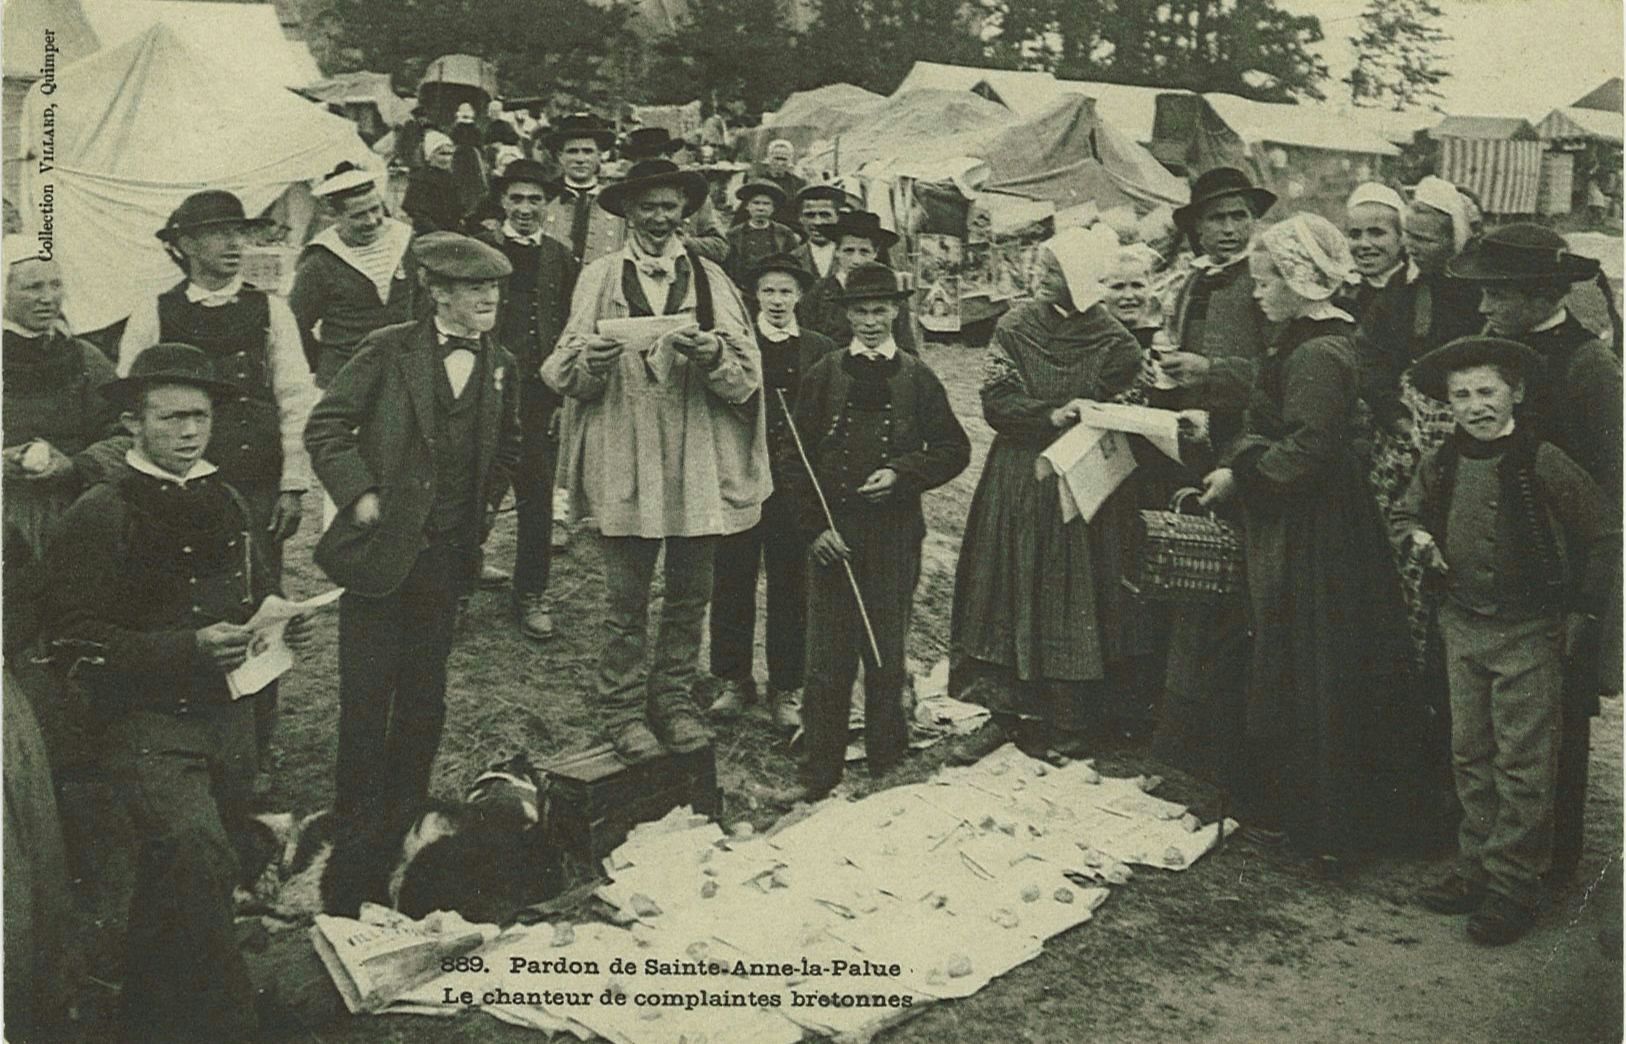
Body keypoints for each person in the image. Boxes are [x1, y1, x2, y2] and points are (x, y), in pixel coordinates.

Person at [43, 343, 316, 1041]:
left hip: (227, 721)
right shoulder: (102, 512)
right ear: (134, 423)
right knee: (197, 857)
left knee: (184, 881)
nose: (189, 432)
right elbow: (72, 642)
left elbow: (250, 592)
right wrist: (184, 648)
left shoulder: (224, 498)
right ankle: (236, 1023)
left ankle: (145, 1017)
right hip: (142, 727)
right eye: (170, 420)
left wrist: (280, 621)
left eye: (199, 418)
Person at [304, 233, 522, 914]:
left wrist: (479, 517)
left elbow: (507, 446)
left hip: (447, 558)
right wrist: (359, 492)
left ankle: (405, 815)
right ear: (439, 292)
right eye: (473, 290)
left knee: (426, 694)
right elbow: (326, 427)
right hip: (379, 553)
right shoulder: (389, 348)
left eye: (494, 290)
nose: (487, 300)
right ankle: (356, 819)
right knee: (369, 692)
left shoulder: (501, 364)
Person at [1197, 214, 1412, 869]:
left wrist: (1242, 474)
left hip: (1319, 525)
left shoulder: (1319, 350)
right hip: (1318, 513)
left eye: (1268, 280)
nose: (1258, 293)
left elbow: (1311, 448)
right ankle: (1308, 811)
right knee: (1308, 658)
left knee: (1313, 658)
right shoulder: (1309, 337)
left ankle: (1325, 824)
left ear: (1300, 279)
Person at [541, 159, 770, 762]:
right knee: (626, 594)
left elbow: (749, 376)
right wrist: (590, 360)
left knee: (692, 588)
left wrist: (714, 351)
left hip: (697, 451)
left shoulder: (712, 278)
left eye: (671, 207)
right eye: (648, 207)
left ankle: (671, 698)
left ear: (686, 213)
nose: (660, 218)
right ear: (627, 212)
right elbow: (560, 369)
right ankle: (621, 708)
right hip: (627, 444)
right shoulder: (598, 276)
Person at [1394, 336, 1614, 944]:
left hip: (1530, 632)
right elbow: (1406, 512)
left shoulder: (1541, 458)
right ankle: (1474, 869)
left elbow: (1602, 531)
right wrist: (1419, 537)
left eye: (1487, 391)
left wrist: (1582, 610)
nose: (1475, 406)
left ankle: (1514, 886)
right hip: (1462, 626)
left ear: (1515, 392)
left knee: (1524, 762)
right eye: (1460, 395)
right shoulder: (1442, 460)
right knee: (1471, 751)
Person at [1444, 223, 1625, 885]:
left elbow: (1611, 496)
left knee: (1560, 726)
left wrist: (1589, 604)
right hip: (1503, 572)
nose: (1485, 309)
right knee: (1494, 734)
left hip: (1562, 580)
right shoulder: (1503, 357)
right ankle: (1493, 860)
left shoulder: (1588, 367)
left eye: (1496, 294)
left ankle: (1548, 868)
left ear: (1534, 293)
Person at [118, 189, 318, 769]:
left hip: (254, 491)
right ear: (182, 245)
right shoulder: (153, 312)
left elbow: (296, 396)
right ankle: (189, 742)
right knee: (185, 610)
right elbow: (131, 402)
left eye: (240, 232)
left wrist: (292, 483)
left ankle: (256, 749)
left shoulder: (271, 310)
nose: (234, 245)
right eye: (217, 234)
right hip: (177, 493)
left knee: (261, 609)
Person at [950, 226, 1150, 760]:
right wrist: (1047, 415)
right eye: (1042, 267)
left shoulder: (1116, 343)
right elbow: (995, 398)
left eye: (1055, 270)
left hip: (1080, 481)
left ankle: (1069, 724)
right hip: (1019, 474)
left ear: (1083, 279)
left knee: (1073, 595)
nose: (1041, 276)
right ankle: (1002, 713)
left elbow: (1125, 407)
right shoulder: (1015, 326)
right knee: (1007, 585)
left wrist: (1088, 417)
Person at [791, 261, 970, 798]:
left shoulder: (918, 377)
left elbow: (954, 450)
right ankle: (819, 773)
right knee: (827, 657)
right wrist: (814, 531)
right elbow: (792, 458)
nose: (870, 321)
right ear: (846, 315)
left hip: (894, 536)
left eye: (879, 309)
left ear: (896, 311)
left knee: (885, 649)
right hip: (834, 538)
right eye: (860, 311)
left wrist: (901, 474)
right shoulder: (823, 374)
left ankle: (886, 765)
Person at [1147, 167, 1276, 787]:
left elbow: (1274, 376)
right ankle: (1181, 740)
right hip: (1196, 445)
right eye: (1216, 219)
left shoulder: (1268, 281)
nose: (1229, 230)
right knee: (1192, 586)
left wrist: (1210, 372)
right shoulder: (1192, 282)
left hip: (1246, 454)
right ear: (1195, 227)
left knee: (1237, 598)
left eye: (1239, 217)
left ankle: (1228, 750)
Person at [707, 255, 837, 730]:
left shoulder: (822, 348)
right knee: (732, 577)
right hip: (742, 476)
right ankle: (732, 680)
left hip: (796, 487)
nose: (777, 301)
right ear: (754, 297)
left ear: (800, 296)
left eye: (786, 292)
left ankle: (787, 686)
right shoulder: (739, 345)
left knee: (791, 582)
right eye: (768, 292)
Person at [475, 158, 580, 640]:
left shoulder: (560, 255)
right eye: (516, 199)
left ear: (548, 205)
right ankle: (458, 581)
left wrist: (563, 390)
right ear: (502, 202)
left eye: (535, 199)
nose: (525, 208)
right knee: (475, 487)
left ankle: (530, 592)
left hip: (540, 391)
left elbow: (570, 322)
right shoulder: (482, 250)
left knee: (536, 494)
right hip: (485, 386)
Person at [289, 163, 418, 388]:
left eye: (375, 209)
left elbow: (421, 301)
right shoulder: (320, 260)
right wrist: (326, 361)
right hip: (345, 375)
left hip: (401, 372)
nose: (371, 221)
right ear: (336, 215)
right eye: (358, 215)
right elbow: (295, 324)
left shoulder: (404, 240)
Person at [797, 210, 918, 354]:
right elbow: (806, 347)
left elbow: (907, 350)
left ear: (875, 253)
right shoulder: (816, 292)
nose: (856, 260)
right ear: (836, 251)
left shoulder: (891, 295)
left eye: (864, 252)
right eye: (849, 251)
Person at [540, 113, 622, 267]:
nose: (580, 159)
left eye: (588, 151)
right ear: (559, 156)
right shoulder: (545, 196)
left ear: (599, 156)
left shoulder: (614, 199)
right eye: (572, 151)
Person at [1340, 182, 1408, 321]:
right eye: (1355, 235)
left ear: (1401, 237)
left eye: (1377, 233)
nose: (1364, 244)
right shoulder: (1344, 296)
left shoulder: (1415, 293)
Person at [725, 181, 801, 287]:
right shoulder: (733, 234)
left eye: (766, 204)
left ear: (773, 208)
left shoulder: (784, 233)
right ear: (747, 206)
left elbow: (795, 262)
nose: (760, 208)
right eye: (756, 203)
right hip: (742, 288)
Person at [402, 129, 468, 234]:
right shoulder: (420, 179)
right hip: (430, 233)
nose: (447, 159)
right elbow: (416, 214)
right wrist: (438, 233)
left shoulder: (450, 178)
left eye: (450, 154)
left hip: (452, 231)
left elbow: (458, 210)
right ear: (430, 155)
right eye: (442, 154)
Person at [790, 184, 847, 280]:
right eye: (810, 215)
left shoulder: (851, 256)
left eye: (825, 215)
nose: (817, 222)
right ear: (800, 219)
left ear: (838, 217)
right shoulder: (792, 259)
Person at [756, 139, 807, 227]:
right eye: (776, 158)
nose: (780, 163)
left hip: (791, 229)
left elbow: (802, 212)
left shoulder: (798, 184)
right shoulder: (758, 182)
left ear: (789, 161)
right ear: (769, 158)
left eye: (784, 159)